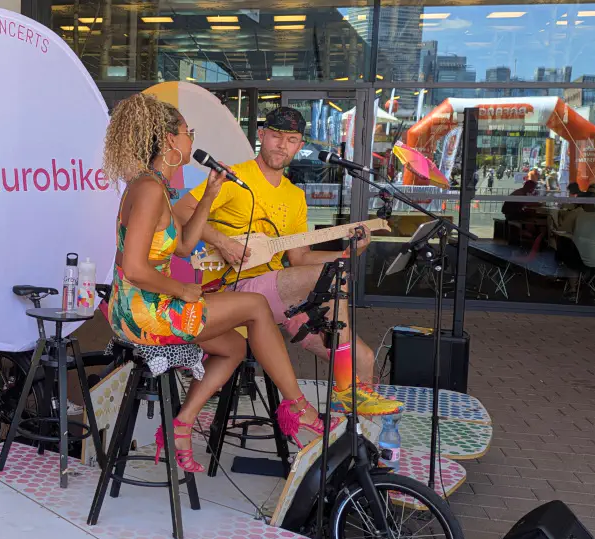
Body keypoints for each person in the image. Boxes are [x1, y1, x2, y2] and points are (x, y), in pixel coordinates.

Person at [102, 94, 325, 474]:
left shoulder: (154, 186)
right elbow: (134, 267)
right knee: (255, 308)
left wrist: (209, 196)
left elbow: (186, 246)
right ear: (170, 140)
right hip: (144, 313)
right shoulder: (149, 189)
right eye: (188, 132)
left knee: (235, 346)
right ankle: (298, 407)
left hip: (147, 307)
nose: (192, 139)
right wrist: (183, 290)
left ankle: (182, 423)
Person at [170, 107, 402, 417]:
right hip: (233, 287)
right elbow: (181, 211)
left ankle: (355, 446)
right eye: (276, 136)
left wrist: (346, 254)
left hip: (280, 291)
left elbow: (300, 258)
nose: (282, 146)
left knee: (363, 357)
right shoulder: (236, 177)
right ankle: (345, 389)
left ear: (299, 144)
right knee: (334, 279)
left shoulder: (295, 196)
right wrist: (223, 242)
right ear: (262, 136)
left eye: (292, 140)